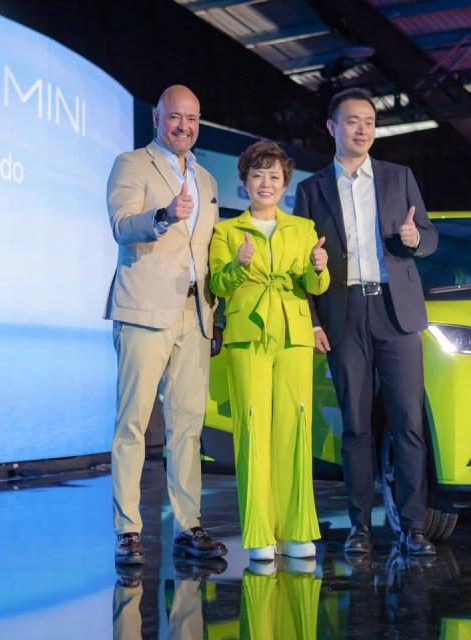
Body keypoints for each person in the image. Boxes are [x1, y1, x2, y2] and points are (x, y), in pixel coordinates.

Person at [294, 88, 439, 556]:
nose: (363, 129)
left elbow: (431, 239)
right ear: (332, 128)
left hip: (396, 312)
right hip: (345, 313)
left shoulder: (400, 178)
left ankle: (413, 527)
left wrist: (415, 239)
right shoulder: (311, 189)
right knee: (356, 426)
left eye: (370, 122)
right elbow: (303, 263)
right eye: (353, 121)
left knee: (408, 422)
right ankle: (359, 528)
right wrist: (314, 319)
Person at [105, 85, 226, 565]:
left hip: (195, 314)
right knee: (133, 424)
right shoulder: (132, 164)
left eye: (192, 119)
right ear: (157, 117)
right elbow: (121, 224)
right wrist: (162, 216)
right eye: (175, 117)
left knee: (187, 428)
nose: (185, 126)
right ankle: (128, 531)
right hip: (143, 309)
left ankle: (187, 525)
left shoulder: (209, 179)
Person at [208, 140, 330, 562]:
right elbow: (219, 287)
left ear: (285, 183)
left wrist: (319, 268)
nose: (266, 183)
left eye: (274, 176)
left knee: (296, 430)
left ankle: (297, 529)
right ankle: (258, 532)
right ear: (243, 182)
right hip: (246, 336)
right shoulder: (225, 231)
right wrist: (237, 265)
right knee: (252, 429)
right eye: (257, 175)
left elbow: (314, 287)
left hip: (294, 335)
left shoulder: (304, 229)